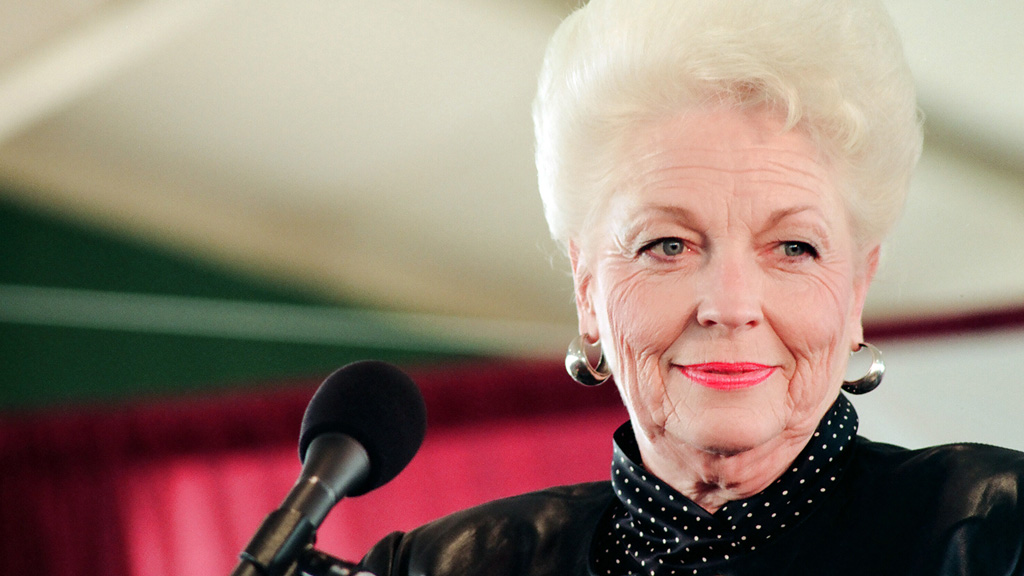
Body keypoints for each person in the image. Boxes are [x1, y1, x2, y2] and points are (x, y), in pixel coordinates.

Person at [360, 0, 1024, 574]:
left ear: (856, 290)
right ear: (588, 289)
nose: (730, 306)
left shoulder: (995, 534)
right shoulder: (444, 567)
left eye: (793, 248)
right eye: (668, 246)